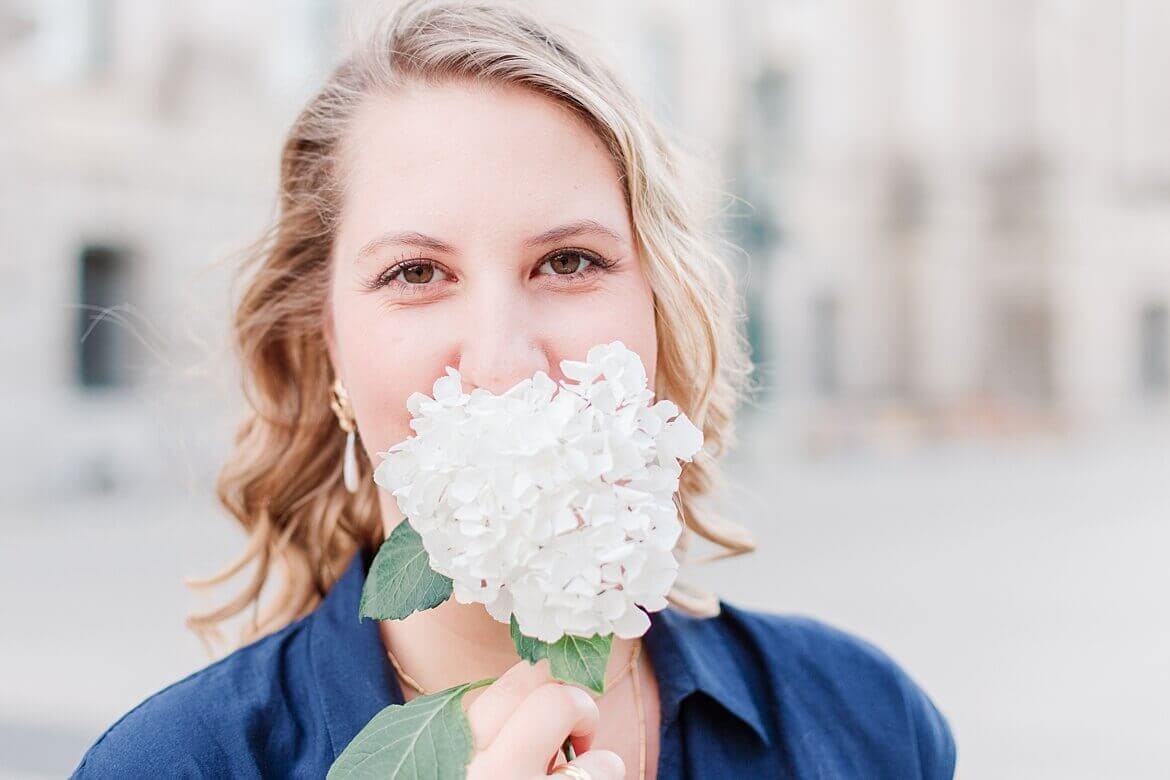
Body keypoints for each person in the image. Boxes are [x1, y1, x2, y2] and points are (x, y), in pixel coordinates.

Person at [71, 1, 957, 777]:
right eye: (416, 273)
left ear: (660, 311)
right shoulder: (173, 765)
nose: (503, 361)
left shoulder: (869, 722)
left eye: (569, 262)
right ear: (327, 347)